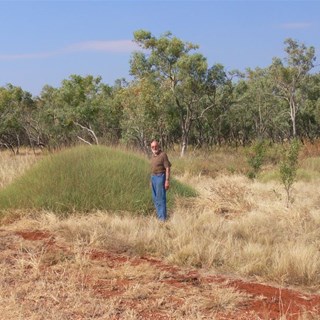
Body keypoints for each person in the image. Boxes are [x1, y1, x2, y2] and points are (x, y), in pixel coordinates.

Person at [150, 140, 171, 221]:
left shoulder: (163, 155)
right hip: (153, 178)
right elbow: (152, 168)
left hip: (160, 177)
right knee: (155, 198)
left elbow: (168, 168)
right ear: (150, 147)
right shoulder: (152, 156)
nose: (154, 148)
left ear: (158, 146)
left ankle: (162, 220)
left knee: (160, 198)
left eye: (156, 146)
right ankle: (160, 216)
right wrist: (151, 181)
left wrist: (167, 181)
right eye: (152, 147)